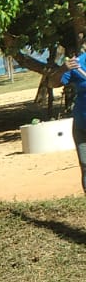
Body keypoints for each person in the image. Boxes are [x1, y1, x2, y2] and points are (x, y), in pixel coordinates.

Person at [62, 55, 86, 193]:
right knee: (85, 165)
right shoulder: (77, 63)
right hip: (81, 125)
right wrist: (62, 69)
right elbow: (53, 83)